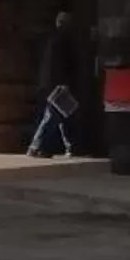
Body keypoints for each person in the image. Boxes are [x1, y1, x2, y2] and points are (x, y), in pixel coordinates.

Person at [27, 9, 85, 157]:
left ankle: (71, 146)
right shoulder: (63, 39)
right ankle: (35, 146)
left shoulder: (51, 38)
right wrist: (63, 82)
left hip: (50, 84)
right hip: (58, 85)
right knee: (53, 116)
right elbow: (60, 63)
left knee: (64, 115)